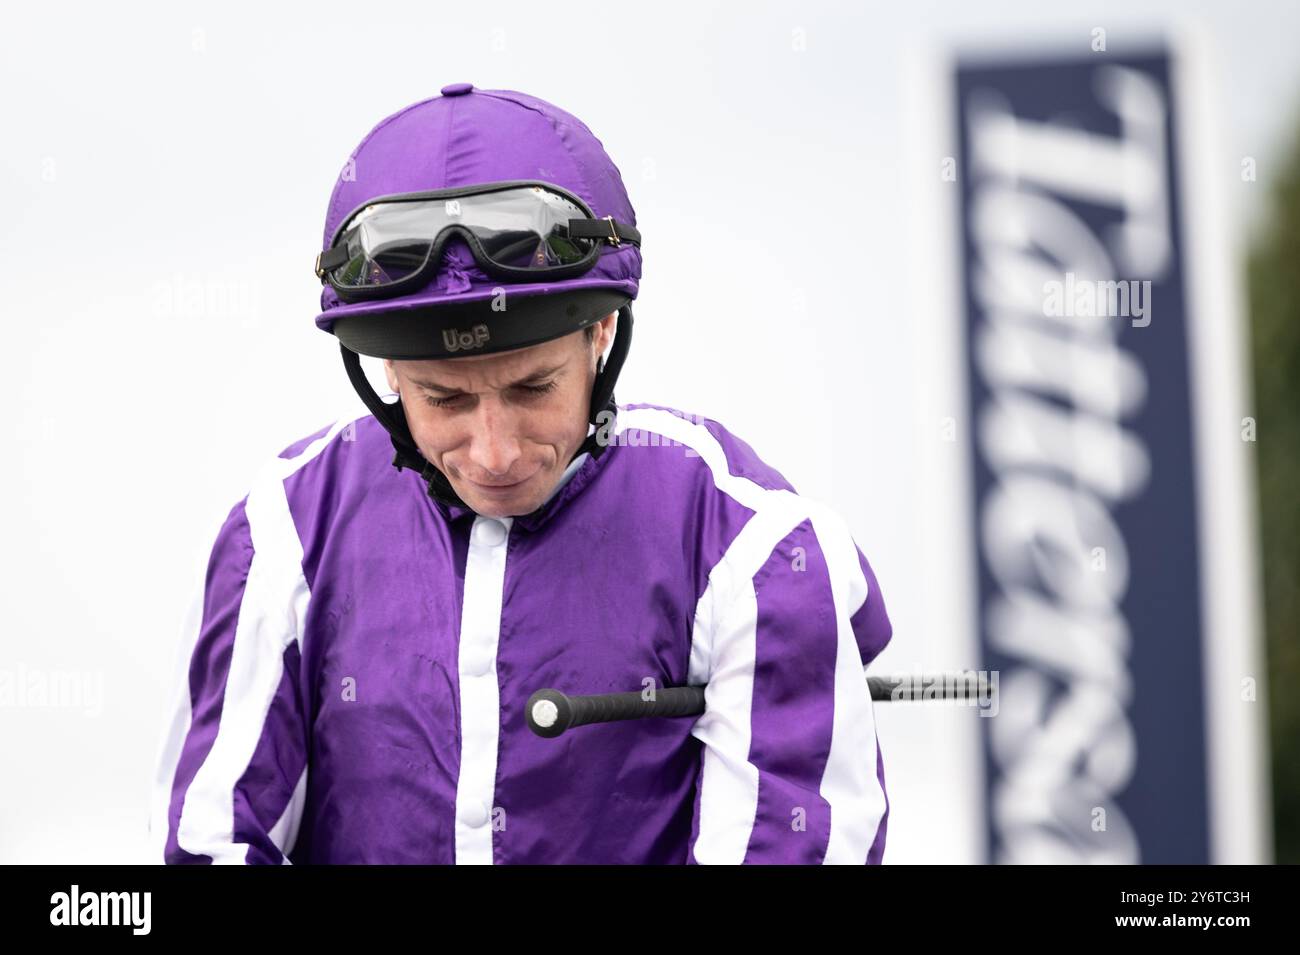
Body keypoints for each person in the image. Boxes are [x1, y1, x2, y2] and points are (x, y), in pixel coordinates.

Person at [148, 83, 893, 864]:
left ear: (601, 332)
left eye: (533, 388)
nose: (494, 451)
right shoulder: (281, 532)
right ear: (390, 372)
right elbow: (212, 843)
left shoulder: (756, 542)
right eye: (445, 398)